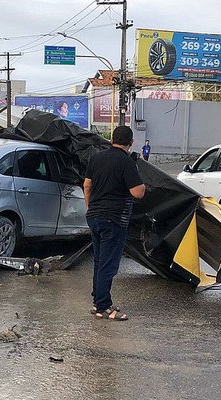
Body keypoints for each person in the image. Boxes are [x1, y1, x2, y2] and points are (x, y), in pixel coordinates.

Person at [83, 125, 146, 321]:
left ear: (112, 139)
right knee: (108, 264)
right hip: (114, 219)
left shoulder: (96, 158)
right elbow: (138, 192)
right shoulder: (126, 162)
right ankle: (103, 307)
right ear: (131, 142)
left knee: (100, 261)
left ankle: (99, 302)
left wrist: (90, 207)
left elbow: (87, 185)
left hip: (94, 216)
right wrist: (141, 181)